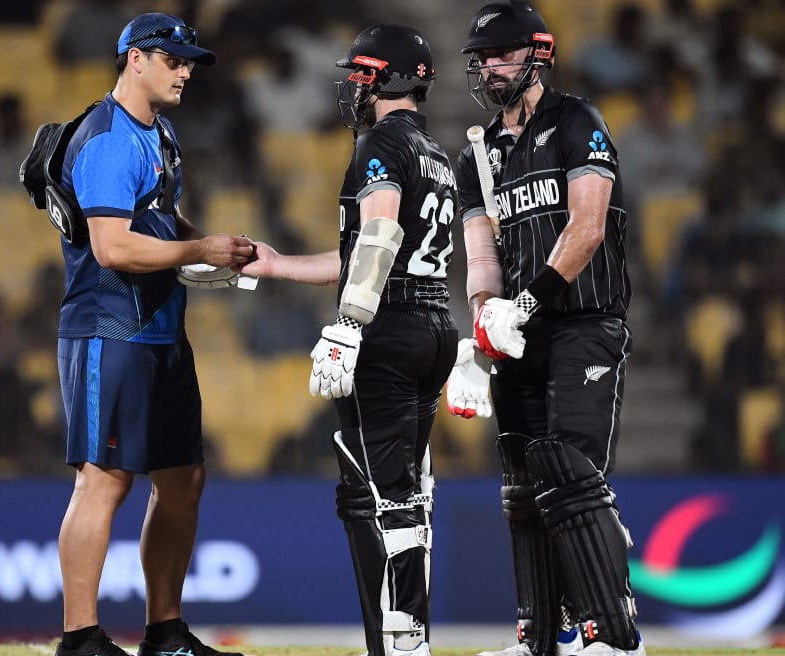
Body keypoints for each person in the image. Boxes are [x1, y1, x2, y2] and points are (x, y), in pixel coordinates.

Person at [238, 24, 456, 656]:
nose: (353, 86)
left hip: (388, 330)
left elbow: (380, 237)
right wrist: (278, 266)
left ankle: (399, 643)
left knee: (377, 496)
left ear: (389, 78)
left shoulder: (383, 141)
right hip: (431, 324)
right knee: (409, 490)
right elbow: (365, 252)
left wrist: (349, 325)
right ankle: (404, 635)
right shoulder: (433, 152)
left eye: (362, 73)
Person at [48, 12, 254, 656]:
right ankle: (80, 637)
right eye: (174, 59)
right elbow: (110, 248)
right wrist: (199, 248)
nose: (186, 70)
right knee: (103, 479)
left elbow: (160, 218)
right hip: (110, 331)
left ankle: (164, 633)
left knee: (183, 477)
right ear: (135, 59)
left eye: (190, 60)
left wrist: (208, 251)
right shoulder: (108, 138)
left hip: (159, 331)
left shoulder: (159, 132)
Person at [447, 3, 643, 656]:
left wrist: (524, 306)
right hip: (516, 335)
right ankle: (541, 641)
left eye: (501, 53)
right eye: (481, 58)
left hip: (583, 322)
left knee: (571, 472)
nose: (488, 67)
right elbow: (481, 260)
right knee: (523, 480)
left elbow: (587, 228)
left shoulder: (576, 121)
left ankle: (611, 635)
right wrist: (480, 338)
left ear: (538, 52)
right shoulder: (477, 151)